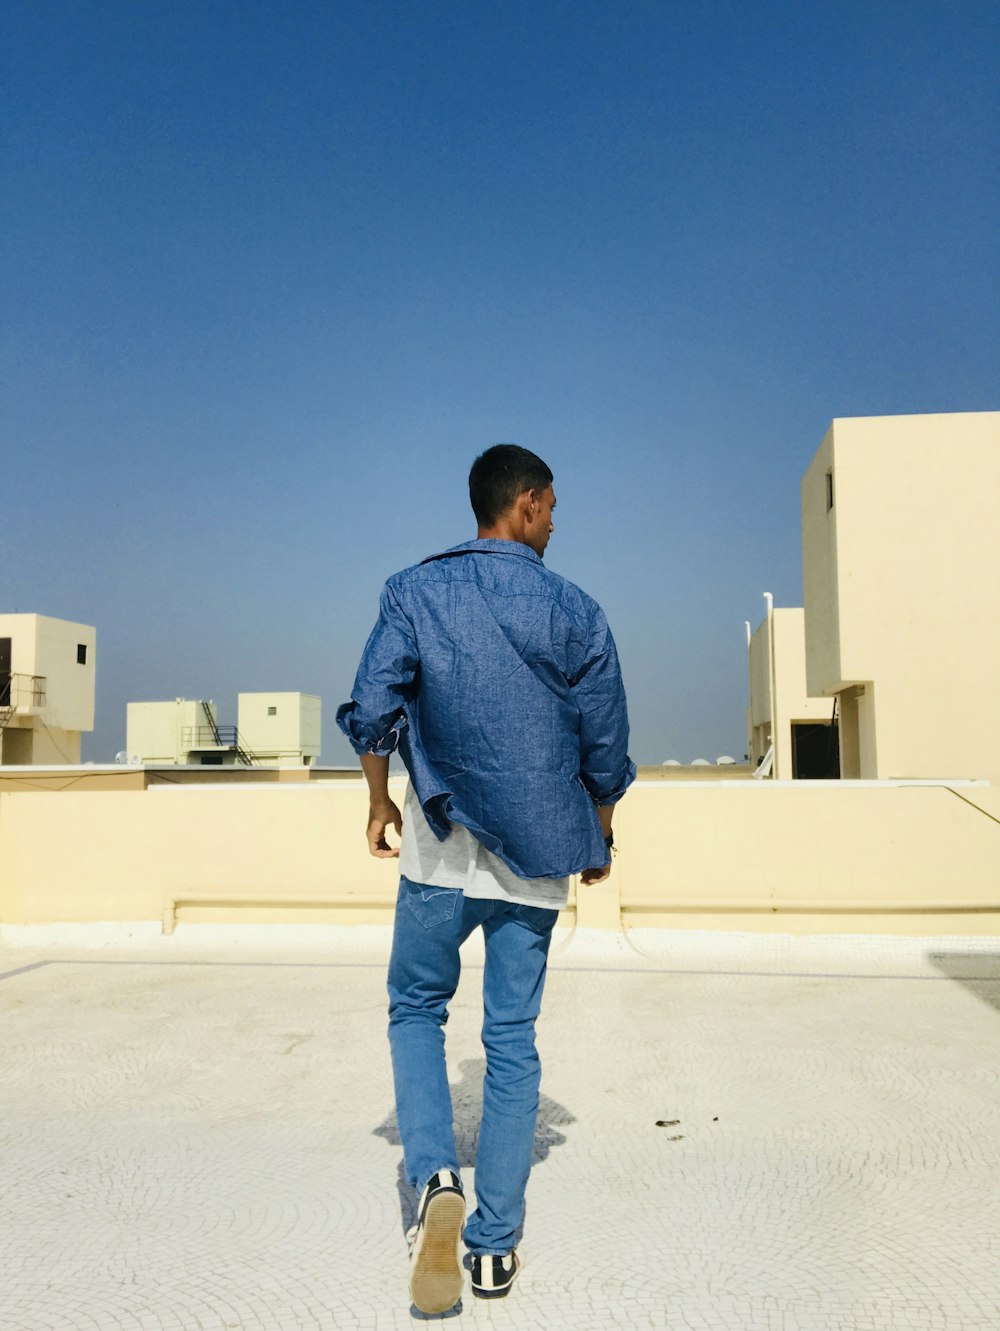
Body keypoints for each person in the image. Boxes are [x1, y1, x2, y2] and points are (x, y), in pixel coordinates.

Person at [337, 444, 634, 1313]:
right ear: (529, 503)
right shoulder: (576, 610)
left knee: (415, 1008)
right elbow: (605, 741)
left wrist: (378, 803)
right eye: (552, 507)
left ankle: (434, 1176)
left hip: (438, 844)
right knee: (511, 1038)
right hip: (539, 851)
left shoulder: (412, 590)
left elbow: (372, 704)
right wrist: (600, 829)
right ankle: (495, 1245)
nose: (555, 521)